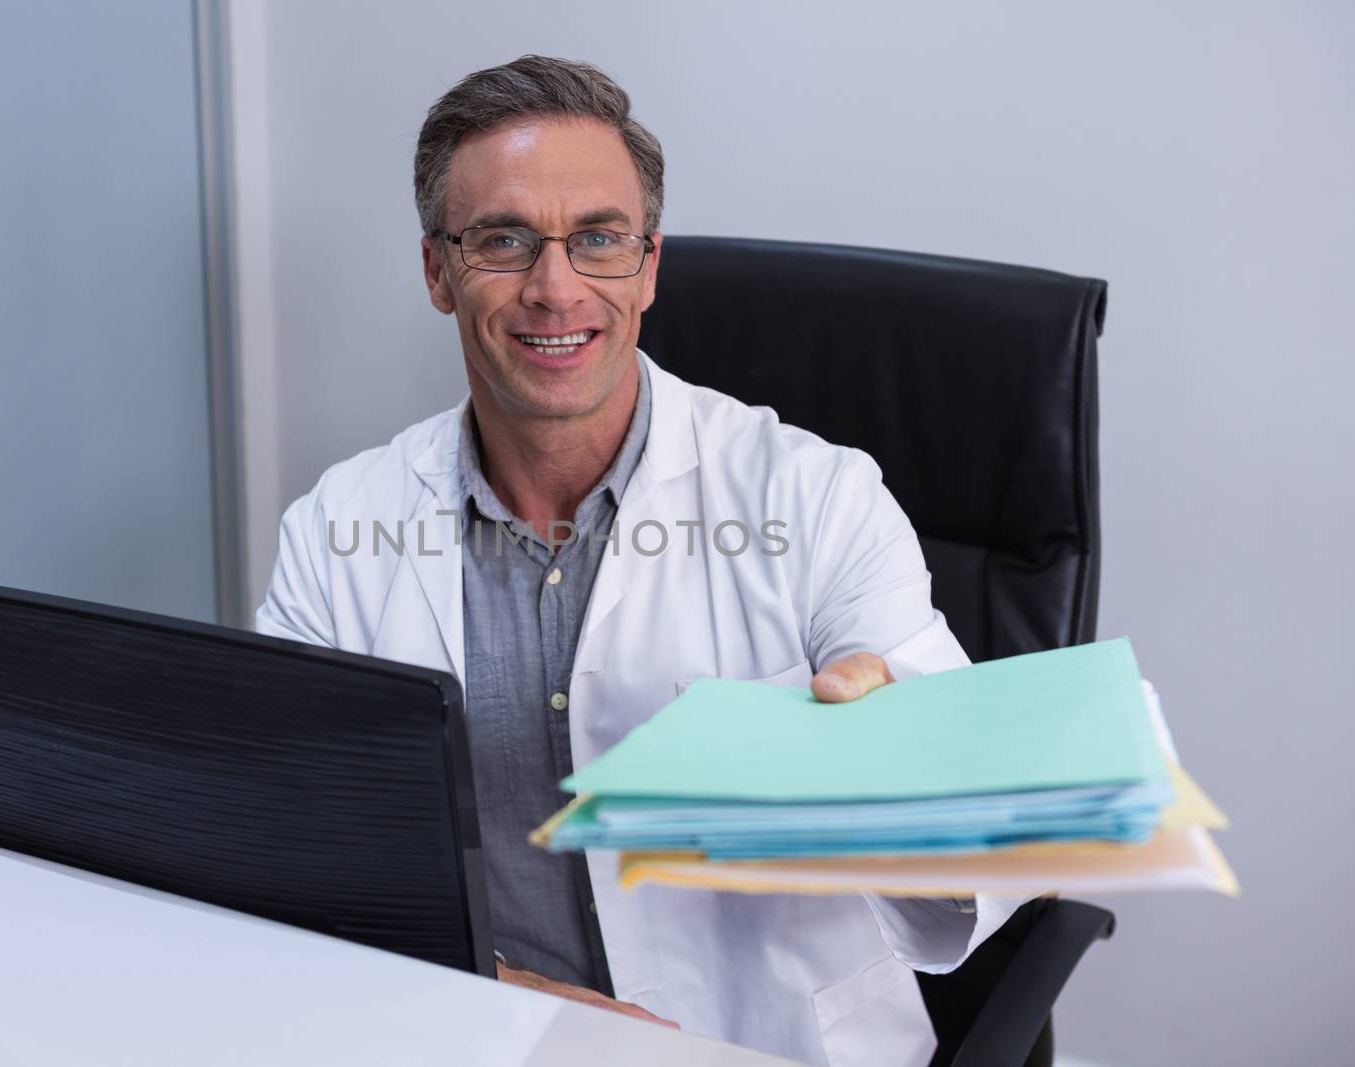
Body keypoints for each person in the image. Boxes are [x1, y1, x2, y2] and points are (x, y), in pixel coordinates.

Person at [258, 54, 1020, 1067]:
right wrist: (507, 1003)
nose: (554, 285)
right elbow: (295, 856)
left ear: (648, 265)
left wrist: (890, 770)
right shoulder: (337, 528)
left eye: (599, 239)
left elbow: (985, 845)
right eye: (502, 240)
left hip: (762, 1044)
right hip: (472, 1032)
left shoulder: (815, 496)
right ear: (438, 272)